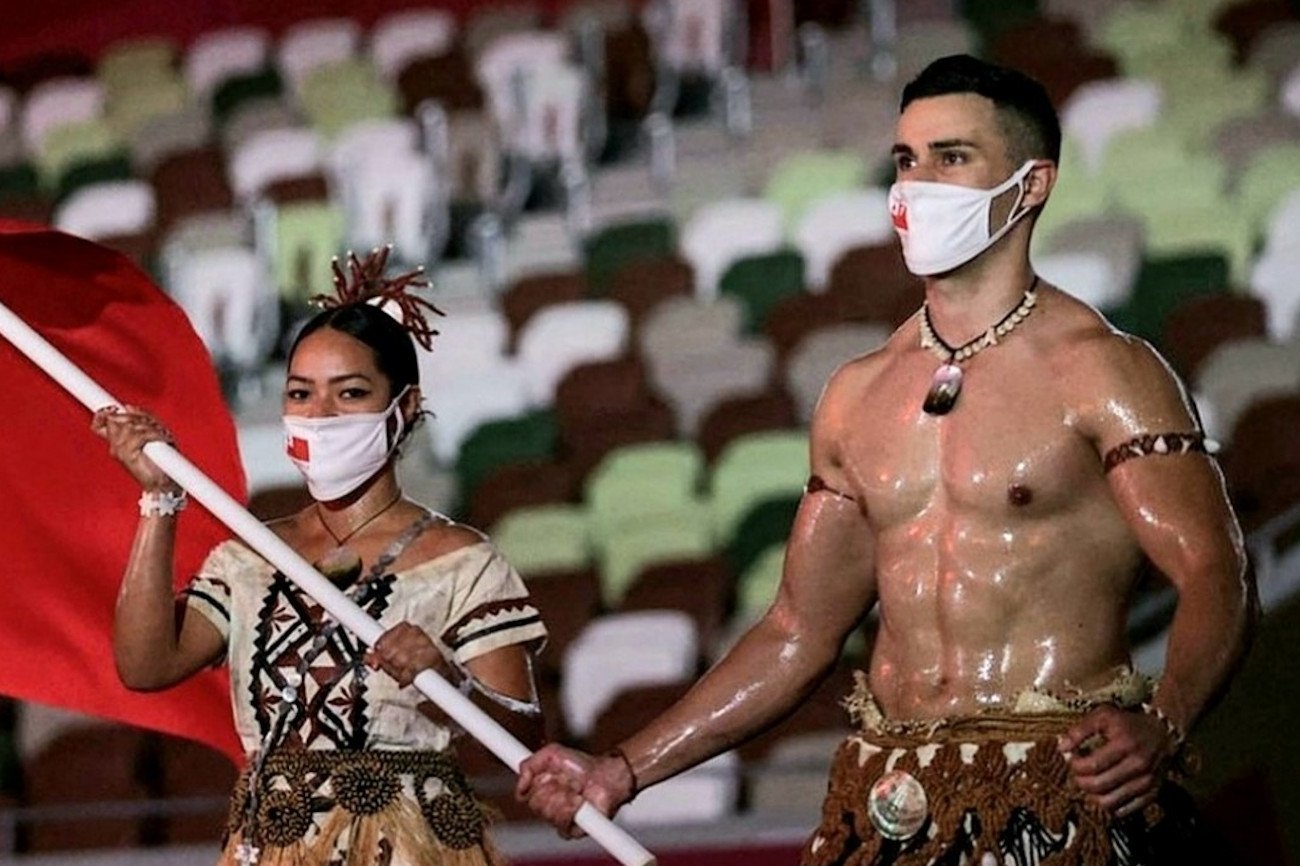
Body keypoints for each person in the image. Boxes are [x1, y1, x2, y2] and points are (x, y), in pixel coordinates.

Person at [515, 54, 1255, 866]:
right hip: (893, 800)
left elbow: (1215, 570)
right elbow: (797, 630)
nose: (917, 184)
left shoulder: (1105, 370)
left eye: (952, 157)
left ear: (1032, 185)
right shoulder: (857, 395)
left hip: (1060, 796)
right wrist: (621, 770)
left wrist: (1166, 718)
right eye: (906, 159)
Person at [94, 248, 547, 866]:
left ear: (405, 407)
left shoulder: (462, 561)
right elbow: (146, 665)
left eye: (351, 393)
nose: (321, 415)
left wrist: (449, 680)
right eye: (301, 393)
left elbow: (525, 739)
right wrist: (159, 498)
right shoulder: (250, 555)